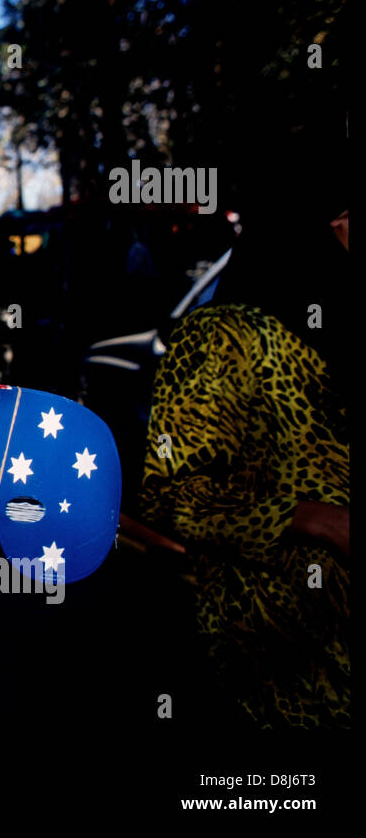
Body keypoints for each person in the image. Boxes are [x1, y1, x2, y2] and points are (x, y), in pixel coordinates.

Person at [138, 125, 349, 729]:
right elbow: (175, 497)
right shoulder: (222, 337)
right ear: (323, 219)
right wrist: (315, 518)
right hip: (282, 662)